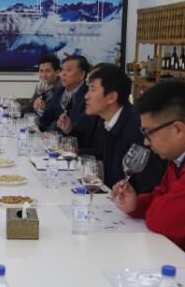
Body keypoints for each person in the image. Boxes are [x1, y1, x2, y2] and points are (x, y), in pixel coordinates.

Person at [112, 81, 185, 263]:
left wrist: (156, 208)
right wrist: (136, 205)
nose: (146, 142)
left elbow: (163, 219)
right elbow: (162, 196)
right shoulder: (179, 158)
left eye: (148, 133)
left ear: (178, 129)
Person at [58, 64, 165, 192]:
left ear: (111, 97)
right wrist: (73, 152)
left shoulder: (137, 128)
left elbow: (148, 185)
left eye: (92, 89)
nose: (86, 96)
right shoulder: (108, 121)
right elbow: (102, 154)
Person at [41, 55, 96, 144]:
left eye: (69, 70)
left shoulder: (88, 97)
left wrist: (69, 130)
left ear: (82, 74)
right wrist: (40, 110)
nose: (63, 74)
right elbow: (48, 116)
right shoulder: (59, 91)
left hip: (77, 147)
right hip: (56, 142)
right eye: (62, 70)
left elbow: (86, 135)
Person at [21, 55, 61, 123]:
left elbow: (55, 116)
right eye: (41, 71)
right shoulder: (41, 85)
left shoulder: (61, 89)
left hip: (49, 126)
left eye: (48, 71)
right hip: (37, 122)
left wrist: (43, 109)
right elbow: (30, 106)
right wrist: (15, 110)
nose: (44, 75)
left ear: (57, 72)